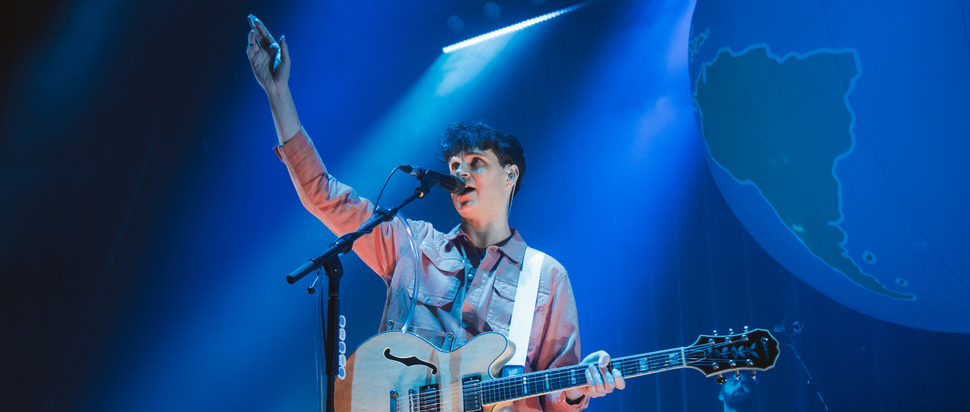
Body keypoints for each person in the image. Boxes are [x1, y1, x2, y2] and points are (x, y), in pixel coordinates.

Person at [246, 14, 624, 411]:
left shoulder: (546, 277)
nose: (461, 173)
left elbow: (555, 397)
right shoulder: (413, 245)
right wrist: (278, 93)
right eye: (455, 166)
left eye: (476, 163)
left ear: (510, 175)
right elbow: (324, 195)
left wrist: (578, 390)